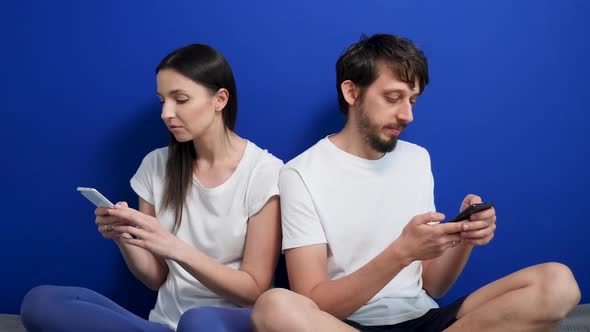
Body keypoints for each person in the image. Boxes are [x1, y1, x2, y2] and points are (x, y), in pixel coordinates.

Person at [251, 34, 581, 331]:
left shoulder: (416, 159)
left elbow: (433, 286)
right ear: (351, 92)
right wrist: (401, 252)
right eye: (393, 98)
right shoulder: (300, 174)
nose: (407, 115)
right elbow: (315, 302)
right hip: (347, 325)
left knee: (558, 282)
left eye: (412, 100)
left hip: (425, 319)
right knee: (274, 306)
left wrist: (463, 237)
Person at [21, 43, 283, 331]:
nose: (166, 113)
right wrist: (124, 236)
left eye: (180, 99)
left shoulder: (264, 172)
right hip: (163, 324)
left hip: (223, 324)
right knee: (40, 302)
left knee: (197, 322)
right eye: (162, 101)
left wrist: (175, 248)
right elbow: (156, 278)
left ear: (220, 99)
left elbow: (254, 289)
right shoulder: (155, 165)